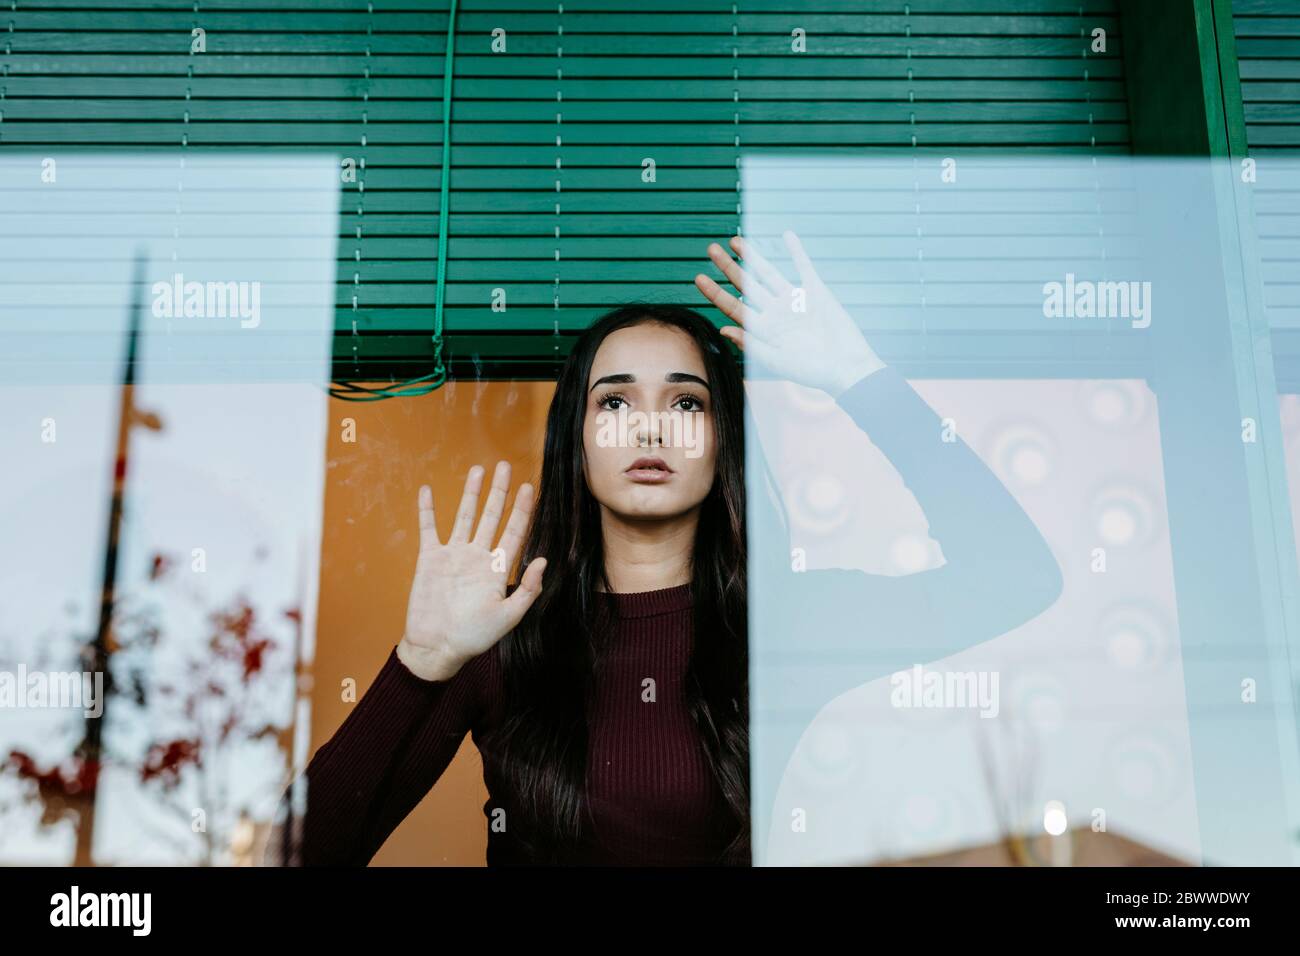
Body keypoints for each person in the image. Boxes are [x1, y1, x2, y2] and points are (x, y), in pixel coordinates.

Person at [274, 233, 1063, 866]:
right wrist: (419, 665)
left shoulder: (785, 626)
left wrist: (859, 378)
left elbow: (1016, 576)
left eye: (686, 402)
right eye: (614, 402)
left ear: (722, 441)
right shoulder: (500, 636)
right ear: (577, 443)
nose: (651, 427)